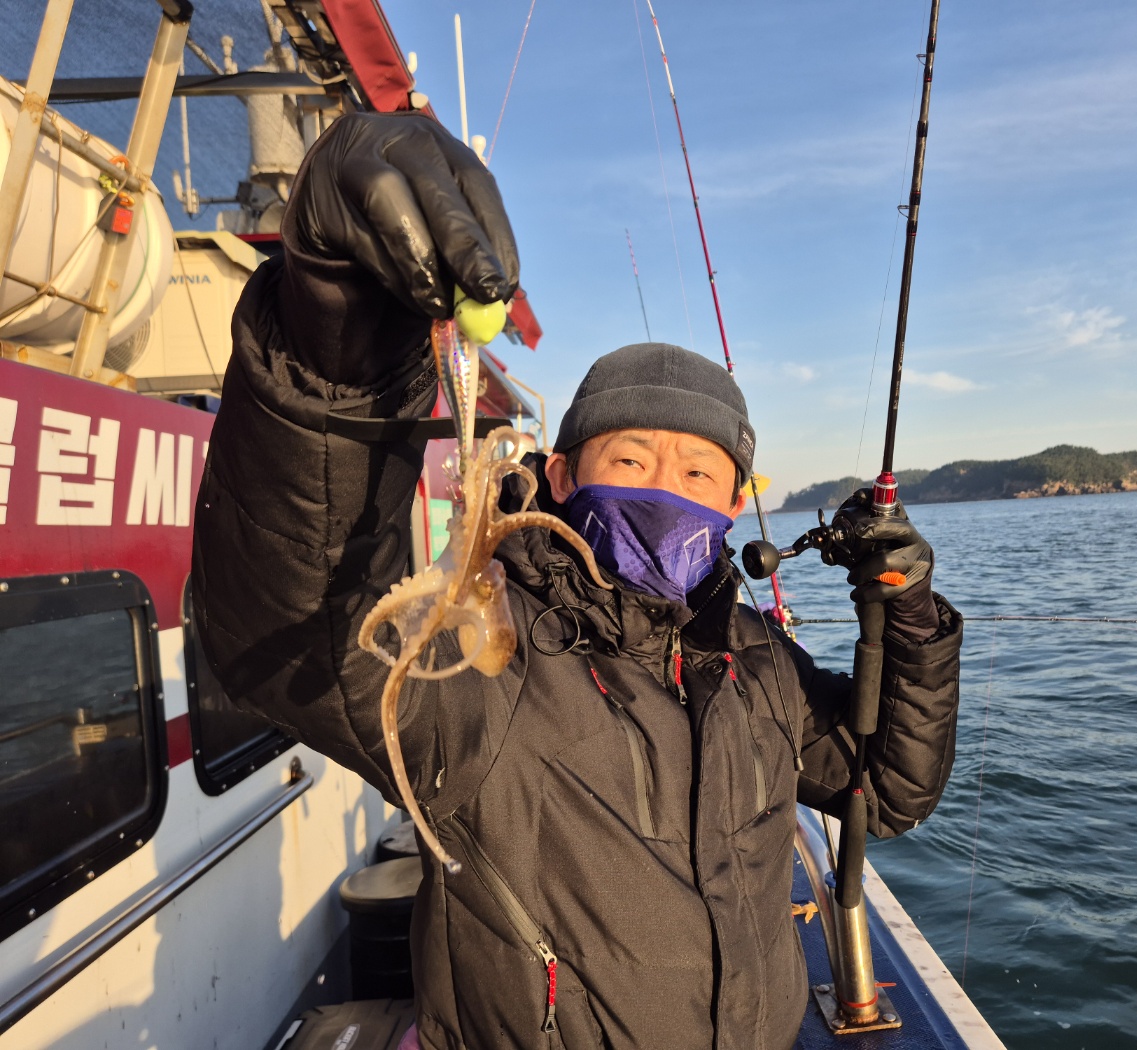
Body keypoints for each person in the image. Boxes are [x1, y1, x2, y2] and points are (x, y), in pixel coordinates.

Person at [192, 112, 962, 1050]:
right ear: (559, 477)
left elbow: (886, 788)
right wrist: (334, 336)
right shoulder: (485, 658)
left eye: (698, 474)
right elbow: (302, 624)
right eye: (630, 461)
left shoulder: (757, 660)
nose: (664, 491)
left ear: (734, 502)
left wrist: (910, 620)